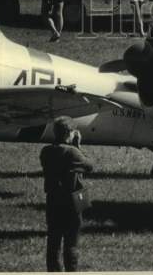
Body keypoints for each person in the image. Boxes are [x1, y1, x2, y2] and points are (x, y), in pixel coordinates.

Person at [40, 116, 94, 272]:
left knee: (53, 242)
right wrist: (78, 146)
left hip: (53, 199)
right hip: (72, 201)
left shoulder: (46, 151)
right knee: (71, 242)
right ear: (70, 133)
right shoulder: (73, 153)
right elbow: (90, 166)